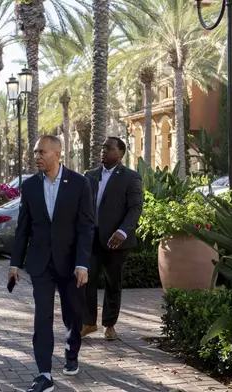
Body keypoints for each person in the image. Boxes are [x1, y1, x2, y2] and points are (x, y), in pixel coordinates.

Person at [9, 135, 94, 392]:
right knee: (42, 317)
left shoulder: (79, 183)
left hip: (70, 263)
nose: (37, 156)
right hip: (40, 263)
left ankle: (71, 351)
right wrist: (14, 263)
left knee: (73, 312)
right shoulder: (30, 186)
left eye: (41, 152)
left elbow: (86, 226)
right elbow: (23, 228)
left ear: (57, 154)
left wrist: (82, 263)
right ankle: (44, 373)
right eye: (35, 152)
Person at [82, 137, 143, 340]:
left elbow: (135, 208)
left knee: (113, 282)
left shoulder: (130, 177)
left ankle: (109, 324)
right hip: (91, 238)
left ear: (121, 153)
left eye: (108, 148)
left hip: (116, 240)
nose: (103, 150)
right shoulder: (90, 176)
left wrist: (123, 231)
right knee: (86, 280)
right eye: (102, 146)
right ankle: (89, 323)